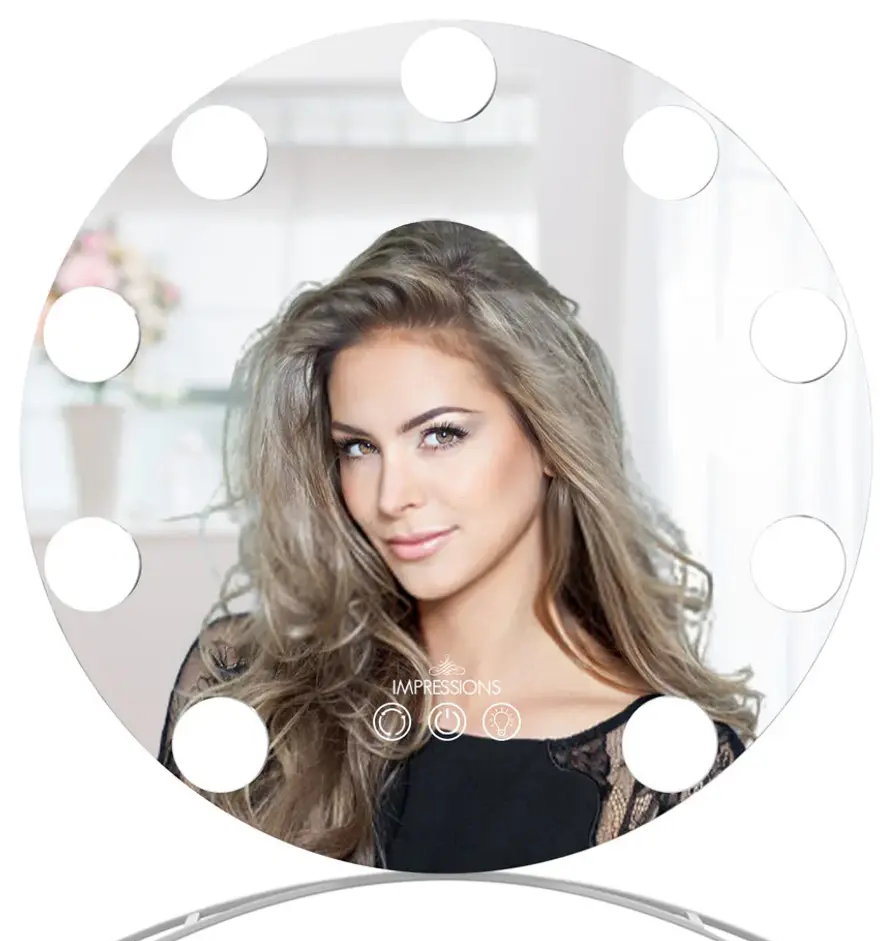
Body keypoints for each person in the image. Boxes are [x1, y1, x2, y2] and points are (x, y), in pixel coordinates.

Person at [157, 219, 763, 872]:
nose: (391, 496)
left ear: (550, 437)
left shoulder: (664, 770)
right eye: (357, 447)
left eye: (441, 435)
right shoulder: (248, 686)